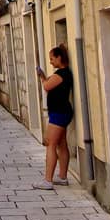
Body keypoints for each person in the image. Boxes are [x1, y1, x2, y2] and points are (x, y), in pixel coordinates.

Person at [36, 44, 74, 188]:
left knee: (50, 144)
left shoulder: (61, 74)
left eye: (52, 58)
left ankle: (47, 180)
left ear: (59, 58)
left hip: (58, 113)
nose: (51, 61)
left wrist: (42, 77)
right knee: (61, 144)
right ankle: (62, 177)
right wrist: (44, 77)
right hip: (62, 111)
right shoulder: (64, 73)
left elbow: (46, 86)